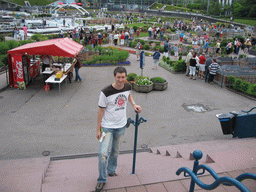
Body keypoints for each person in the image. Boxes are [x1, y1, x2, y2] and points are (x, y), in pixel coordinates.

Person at [95, 67, 142, 192]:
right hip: (106, 127)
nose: (121, 80)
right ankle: (101, 179)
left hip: (121, 126)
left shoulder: (127, 86)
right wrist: (98, 129)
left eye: (123, 77)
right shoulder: (105, 92)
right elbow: (100, 111)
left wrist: (134, 104)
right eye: (118, 77)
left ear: (125, 77)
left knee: (115, 151)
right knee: (102, 153)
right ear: (114, 77)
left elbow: (129, 95)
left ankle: (111, 170)